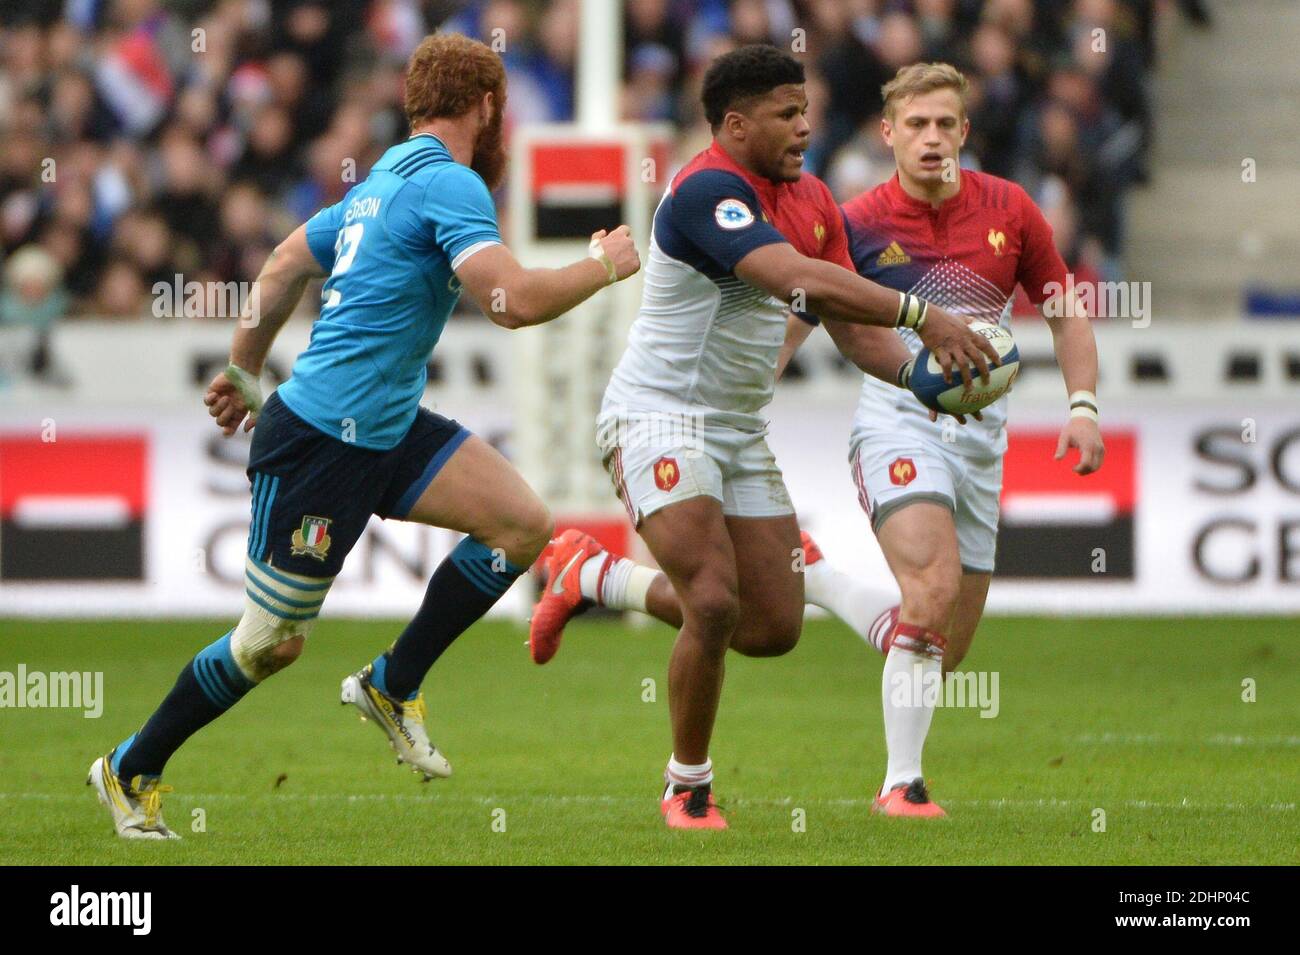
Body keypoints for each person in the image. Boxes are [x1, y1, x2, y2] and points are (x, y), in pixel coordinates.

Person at [87, 33, 640, 840]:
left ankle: (392, 681)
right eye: (500, 112)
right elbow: (510, 303)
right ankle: (130, 766)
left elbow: (282, 261)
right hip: (318, 441)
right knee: (270, 644)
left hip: (385, 427)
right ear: (486, 107)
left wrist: (244, 367)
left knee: (522, 523)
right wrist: (603, 264)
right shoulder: (450, 183)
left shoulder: (382, 180)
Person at [528, 45, 996, 830]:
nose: (805, 128)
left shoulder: (812, 196)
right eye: (787, 114)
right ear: (736, 124)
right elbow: (795, 281)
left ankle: (593, 575)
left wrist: (927, 382)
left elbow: (847, 323)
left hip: (739, 430)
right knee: (711, 602)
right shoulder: (706, 189)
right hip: (656, 415)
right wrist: (924, 314)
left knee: (772, 627)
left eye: (805, 110)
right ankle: (688, 786)